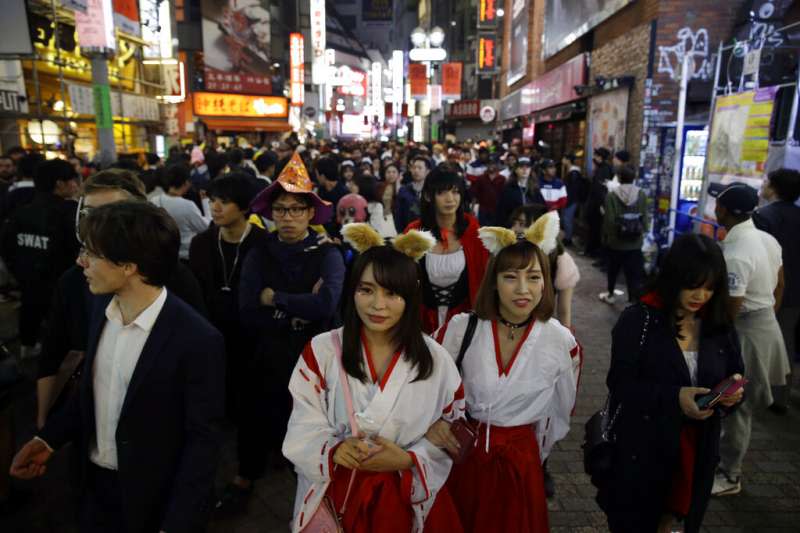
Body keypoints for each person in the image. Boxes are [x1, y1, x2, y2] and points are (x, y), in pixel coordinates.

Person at [10, 201, 225, 533]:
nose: (81, 262)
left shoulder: (196, 339)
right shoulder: (100, 307)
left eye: (92, 254)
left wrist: (178, 522)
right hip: (93, 485)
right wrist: (48, 440)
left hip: (152, 497)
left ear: (128, 266)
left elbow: (203, 441)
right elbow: (93, 391)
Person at [283, 223, 464, 533]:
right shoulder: (322, 350)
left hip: (403, 496)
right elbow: (303, 416)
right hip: (337, 489)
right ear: (352, 290)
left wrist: (409, 460)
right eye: (366, 290)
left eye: (392, 293)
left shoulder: (436, 360)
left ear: (410, 297)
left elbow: (452, 426)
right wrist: (334, 449)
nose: (378, 305)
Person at [430, 221, 579, 533]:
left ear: (545, 282)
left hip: (521, 463)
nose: (523, 289)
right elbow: (429, 384)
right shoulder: (460, 329)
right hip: (464, 457)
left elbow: (560, 411)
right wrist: (435, 424)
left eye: (534, 277)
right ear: (494, 281)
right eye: (510, 277)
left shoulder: (561, 342)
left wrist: (536, 453)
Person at [36, 169, 207, 430]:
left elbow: (197, 365)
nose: (98, 223)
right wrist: (44, 424)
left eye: (112, 213)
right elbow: (53, 352)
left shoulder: (175, 278)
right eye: (89, 213)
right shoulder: (73, 280)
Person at [598, 233, 744, 533]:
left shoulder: (718, 324)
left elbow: (734, 373)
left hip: (699, 453)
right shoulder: (639, 320)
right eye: (693, 284)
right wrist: (675, 397)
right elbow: (621, 385)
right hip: (644, 454)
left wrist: (731, 396)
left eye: (709, 287)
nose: (700, 295)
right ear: (674, 276)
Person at [228, 152, 345, 511]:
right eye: (281, 210)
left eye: (296, 209)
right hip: (264, 353)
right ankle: (245, 478)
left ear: (311, 213)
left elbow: (325, 305)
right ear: (271, 213)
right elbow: (247, 308)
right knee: (255, 417)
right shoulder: (258, 253)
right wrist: (296, 310)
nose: (288, 217)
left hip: (314, 357)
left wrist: (275, 298)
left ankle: (314, 494)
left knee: (312, 425)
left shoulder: (327, 254)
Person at [708, 182, 787, 497]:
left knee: (737, 405)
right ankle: (724, 465)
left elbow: (732, 308)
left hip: (746, 332)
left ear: (723, 210)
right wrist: (765, 316)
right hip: (763, 323)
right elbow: (780, 285)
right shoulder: (766, 239)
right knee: (734, 402)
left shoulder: (737, 253)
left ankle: (730, 474)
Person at [189, 173, 266, 418]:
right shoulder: (201, 243)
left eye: (224, 201)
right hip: (211, 329)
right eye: (212, 200)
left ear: (244, 206)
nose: (215, 207)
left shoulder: (264, 243)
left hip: (251, 334)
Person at [0, 158, 80, 359]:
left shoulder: (21, 213)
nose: (76, 185)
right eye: (73, 180)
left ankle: (28, 345)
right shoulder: (70, 213)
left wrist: (20, 273)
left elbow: (7, 248)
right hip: (63, 286)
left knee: (30, 308)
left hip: (29, 281)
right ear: (60, 184)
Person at [404, 165, 488, 334]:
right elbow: (404, 278)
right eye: (442, 192)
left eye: (455, 192)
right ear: (428, 196)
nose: (450, 199)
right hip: (422, 320)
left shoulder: (472, 230)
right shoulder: (414, 232)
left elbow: (482, 276)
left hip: (465, 320)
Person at [753, 168, 800, 411]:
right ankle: (781, 394)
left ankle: (762, 392)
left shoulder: (763, 216)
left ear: (775, 188)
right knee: (787, 340)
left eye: (766, 181)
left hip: (770, 289)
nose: (763, 184)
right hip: (796, 291)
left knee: (762, 340)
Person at [510, 207, 580, 329]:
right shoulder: (506, 252)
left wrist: (566, 342)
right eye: (514, 223)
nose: (514, 229)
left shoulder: (560, 260)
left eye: (522, 224)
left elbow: (564, 311)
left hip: (539, 330)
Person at [599, 164, 648, 304]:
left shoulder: (612, 195)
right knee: (633, 273)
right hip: (635, 242)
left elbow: (609, 221)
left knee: (613, 270)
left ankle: (610, 294)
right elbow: (645, 217)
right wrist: (642, 231)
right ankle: (632, 298)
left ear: (619, 178)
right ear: (634, 178)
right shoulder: (642, 194)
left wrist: (607, 237)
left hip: (616, 242)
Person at [150, 164, 210, 261]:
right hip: (187, 255)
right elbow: (205, 227)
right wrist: (205, 202)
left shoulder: (154, 200)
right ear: (186, 183)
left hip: (163, 254)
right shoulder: (187, 205)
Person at [496, 157, 543, 225]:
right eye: (521, 167)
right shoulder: (508, 189)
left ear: (530, 170)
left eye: (527, 167)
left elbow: (541, 210)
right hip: (513, 229)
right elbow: (501, 213)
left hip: (531, 229)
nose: (525, 169)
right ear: (516, 170)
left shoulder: (535, 190)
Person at [584, 147, 612, 258]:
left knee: (596, 229)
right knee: (594, 229)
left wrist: (601, 205)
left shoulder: (604, 169)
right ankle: (592, 250)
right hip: (596, 204)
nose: (594, 157)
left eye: (595, 155)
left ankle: (594, 251)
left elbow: (600, 189)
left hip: (597, 206)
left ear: (600, 157)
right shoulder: (602, 168)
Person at [395, 156, 430, 232]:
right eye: (414, 168)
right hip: (408, 233)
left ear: (427, 171)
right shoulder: (403, 190)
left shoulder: (431, 191)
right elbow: (398, 216)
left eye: (420, 168)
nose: (416, 170)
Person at [561, 153, 587, 246]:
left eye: (564, 158)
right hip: (569, 199)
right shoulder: (571, 172)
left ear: (568, 160)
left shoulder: (574, 173)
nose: (562, 160)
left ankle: (568, 239)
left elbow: (573, 190)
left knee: (568, 219)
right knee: (566, 219)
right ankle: (567, 237)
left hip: (571, 200)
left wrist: (568, 200)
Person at [472, 162, 506, 226]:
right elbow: (475, 194)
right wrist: (472, 209)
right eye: (490, 164)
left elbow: (504, 196)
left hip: (497, 209)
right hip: (483, 209)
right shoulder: (480, 178)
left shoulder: (502, 179)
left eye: (493, 164)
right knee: (482, 230)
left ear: (497, 166)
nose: (492, 166)